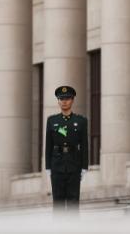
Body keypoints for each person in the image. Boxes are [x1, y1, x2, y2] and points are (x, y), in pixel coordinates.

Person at [45, 85, 88, 214]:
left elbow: (85, 145)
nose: (64, 101)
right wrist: (48, 166)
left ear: (73, 100)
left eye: (67, 98)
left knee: (73, 202)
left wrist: (84, 166)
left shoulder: (80, 121)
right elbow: (48, 145)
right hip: (56, 164)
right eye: (61, 99)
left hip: (74, 164)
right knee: (57, 202)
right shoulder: (52, 121)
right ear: (58, 101)